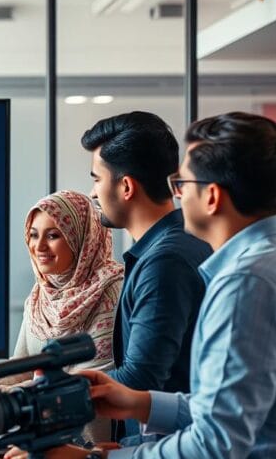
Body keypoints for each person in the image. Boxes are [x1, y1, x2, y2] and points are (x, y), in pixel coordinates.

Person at [4, 113, 276, 459]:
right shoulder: (273, 263)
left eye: (182, 185)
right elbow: (224, 408)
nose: (176, 195)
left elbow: (217, 445)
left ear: (213, 196)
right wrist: (140, 403)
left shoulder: (249, 282)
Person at [83, 112, 212, 439]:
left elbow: (141, 378)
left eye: (97, 179)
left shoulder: (164, 261)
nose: (94, 193)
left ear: (126, 186)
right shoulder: (183, 243)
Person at [0, 191, 124, 440]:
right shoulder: (41, 294)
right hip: (43, 435)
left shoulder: (111, 292)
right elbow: (24, 361)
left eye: (53, 235)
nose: (39, 247)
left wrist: (0, 393)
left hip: (90, 448)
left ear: (82, 238)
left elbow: (81, 384)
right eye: (34, 235)